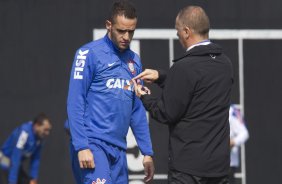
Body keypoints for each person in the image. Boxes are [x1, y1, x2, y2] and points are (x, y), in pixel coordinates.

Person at [133, 5, 233, 184]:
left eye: (178, 30)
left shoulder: (184, 67)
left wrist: (143, 97)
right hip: (219, 169)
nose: (177, 35)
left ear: (186, 31)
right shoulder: (225, 63)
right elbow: (198, 88)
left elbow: (165, 112)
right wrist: (161, 76)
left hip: (188, 171)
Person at [67, 1, 154, 184]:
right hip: (93, 145)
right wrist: (82, 146)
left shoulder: (134, 61)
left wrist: (147, 152)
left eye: (131, 31)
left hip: (119, 151)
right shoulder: (87, 53)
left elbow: (136, 110)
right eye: (121, 31)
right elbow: (75, 101)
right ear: (109, 25)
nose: (126, 37)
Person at [0, 113, 52, 184]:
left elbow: (36, 159)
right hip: (3, 160)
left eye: (49, 130)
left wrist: (33, 178)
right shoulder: (24, 133)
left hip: (14, 164)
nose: (47, 133)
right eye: (45, 130)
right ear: (36, 126)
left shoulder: (40, 139)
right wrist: (12, 181)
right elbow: (16, 156)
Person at [229, 105, 249, 184]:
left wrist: (232, 142)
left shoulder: (231, 111)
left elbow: (244, 133)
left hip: (228, 163)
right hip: (210, 163)